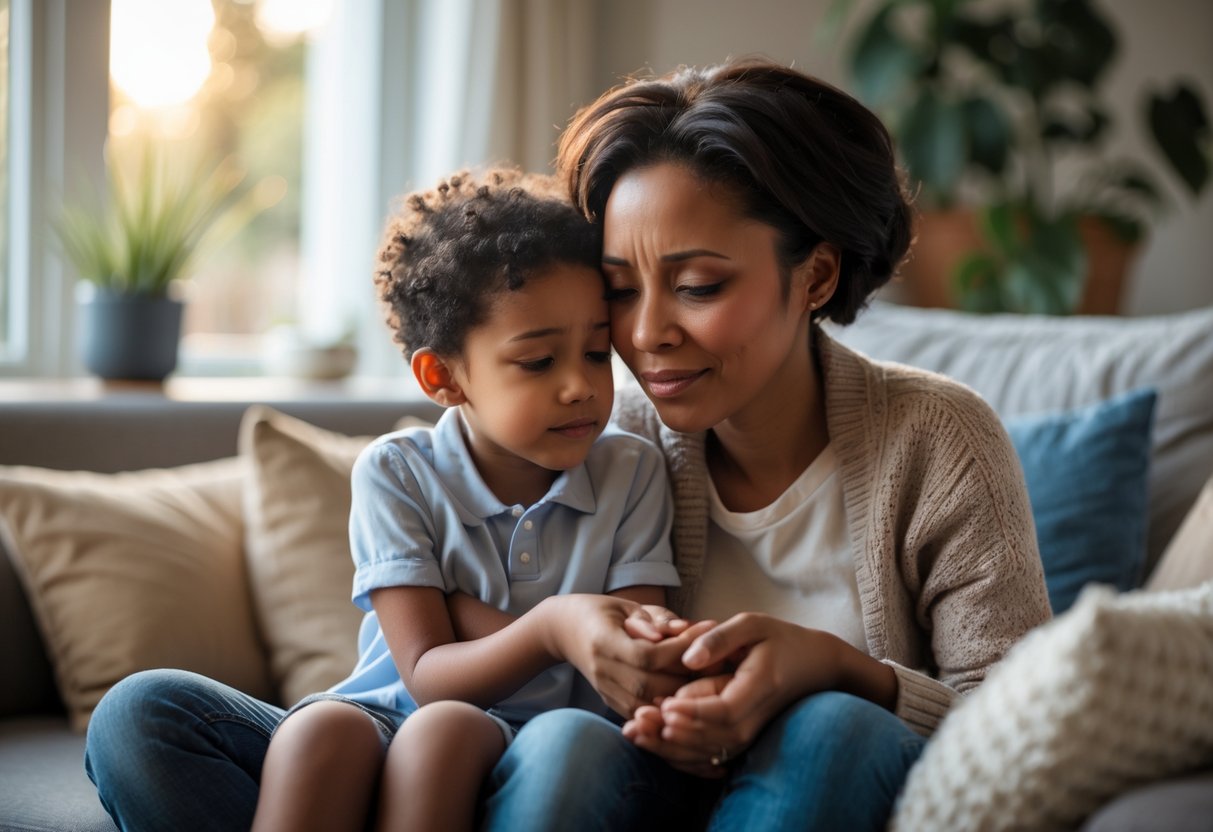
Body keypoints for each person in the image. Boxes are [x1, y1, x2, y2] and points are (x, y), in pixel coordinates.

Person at [474, 58, 1054, 831]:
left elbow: (1026, 727)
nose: (645, 335)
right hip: (644, 795)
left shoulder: (937, 439)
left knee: (831, 726)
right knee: (560, 743)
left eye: (699, 286)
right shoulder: (606, 437)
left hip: (846, 786)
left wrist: (841, 670)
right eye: (619, 289)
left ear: (814, 276)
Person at [85, 169, 697, 832]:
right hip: (380, 720)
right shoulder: (397, 474)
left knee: (446, 735)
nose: (580, 386)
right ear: (443, 377)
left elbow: (637, 665)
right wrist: (556, 627)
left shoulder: (630, 469)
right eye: (538, 361)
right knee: (164, 714)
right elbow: (426, 673)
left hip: (540, 755)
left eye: (597, 352)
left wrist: (464, 613)